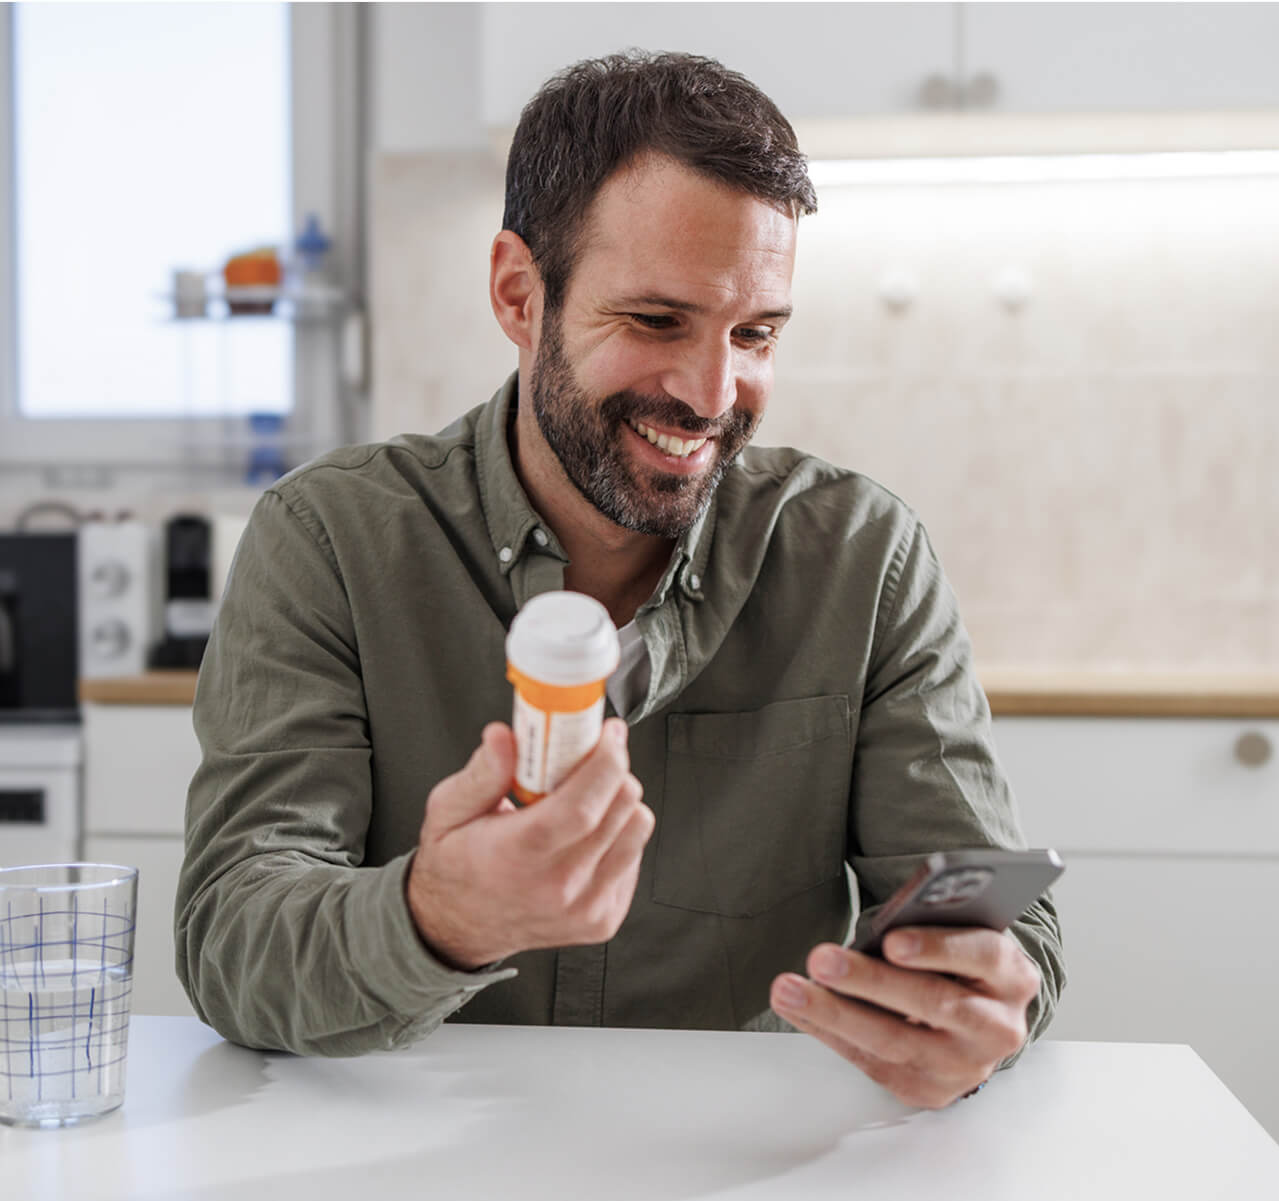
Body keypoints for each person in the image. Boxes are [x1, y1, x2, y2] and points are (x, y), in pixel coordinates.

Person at [176, 51, 1064, 1109]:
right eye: (655, 320)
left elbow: (1000, 929)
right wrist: (433, 918)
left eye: (754, 333)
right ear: (518, 293)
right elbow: (231, 937)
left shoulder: (862, 560)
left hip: (750, 1160)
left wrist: (983, 1003)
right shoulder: (328, 539)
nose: (711, 393)